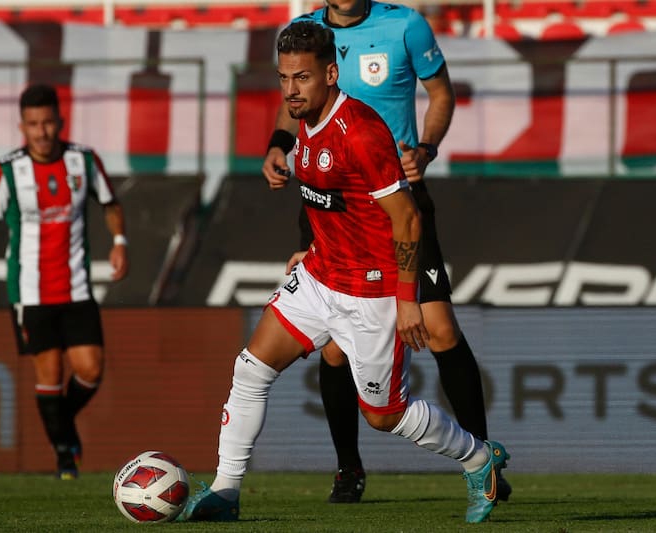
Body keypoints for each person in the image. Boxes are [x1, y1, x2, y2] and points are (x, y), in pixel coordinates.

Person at [179, 21, 508, 524]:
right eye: (284, 77)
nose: (290, 89)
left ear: (331, 74)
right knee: (251, 368)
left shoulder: (362, 133)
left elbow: (408, 217)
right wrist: (309, 249)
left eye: (302, 78)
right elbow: (332, 203)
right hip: (320, 275)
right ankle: (226, 491)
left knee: (384, 416)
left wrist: (404, 300)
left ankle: (479, 459)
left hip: (371, 292)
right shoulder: (304, 126)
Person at [262, 0, 511, 504]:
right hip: (328, 198)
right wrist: (277, 145)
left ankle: (484, 459)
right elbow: (293, 101)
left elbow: (441, 95)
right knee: (333, 344)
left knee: (440, 329)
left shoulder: (406, 25)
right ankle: (348, 469)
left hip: (396, 202)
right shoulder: (304, 30)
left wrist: (427, 149)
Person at [0, 83, 129, 480]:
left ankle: (59, 421)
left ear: (59, 121)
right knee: (49, 374)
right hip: (30, 292)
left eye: (47, 123)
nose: (41, 132)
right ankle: (64, 455)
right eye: (32, 125)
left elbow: (110, 203)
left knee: (91, 370)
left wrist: (119, 242)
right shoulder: (8, 169)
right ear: (21, 127)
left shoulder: (83, 161)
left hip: (77, 287)